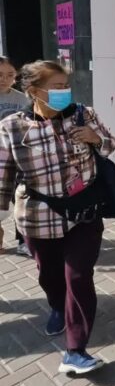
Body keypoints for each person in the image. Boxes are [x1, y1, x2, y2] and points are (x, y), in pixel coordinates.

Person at [0, 60, 115, 374]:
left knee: (78, 276)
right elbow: (3, 175)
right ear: (34, 91)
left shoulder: (84, 115)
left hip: (83, 213)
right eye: (57, 87)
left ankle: (75, 350)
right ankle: (56, 305)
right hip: (38, 216)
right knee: (50, 275)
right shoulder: (12, 127)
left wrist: (95, 138)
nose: (65, 91)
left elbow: (110, 145)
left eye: (66, 85)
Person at [0, 56, 31, 256]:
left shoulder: (23, 99)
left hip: (18, 159)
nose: (4, 79)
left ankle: (23, 241)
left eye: (10, 74)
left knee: (21, 198)